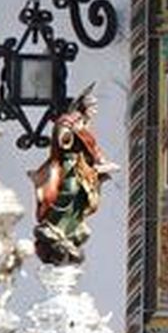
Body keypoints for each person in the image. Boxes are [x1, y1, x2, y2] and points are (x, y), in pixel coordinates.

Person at [31, 85, 120, 266]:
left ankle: (71, 226)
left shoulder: (85, 124)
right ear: (83, 107)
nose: (94, 111)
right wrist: (71, 131)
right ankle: (51, 223)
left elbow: (93, 148)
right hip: (68, 163)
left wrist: (102, 164)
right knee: (69, 190)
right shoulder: (69, 120)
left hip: (82, 165)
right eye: (92, 107)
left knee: (83, 195)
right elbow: (63, 139)